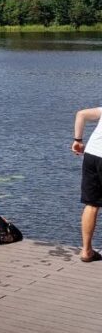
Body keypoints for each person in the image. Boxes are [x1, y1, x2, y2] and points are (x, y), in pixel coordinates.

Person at [72, 106, 102, 262]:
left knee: (91, 204)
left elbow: (81, 114)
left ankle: (86, 251)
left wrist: (78, 140)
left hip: (92, 155)